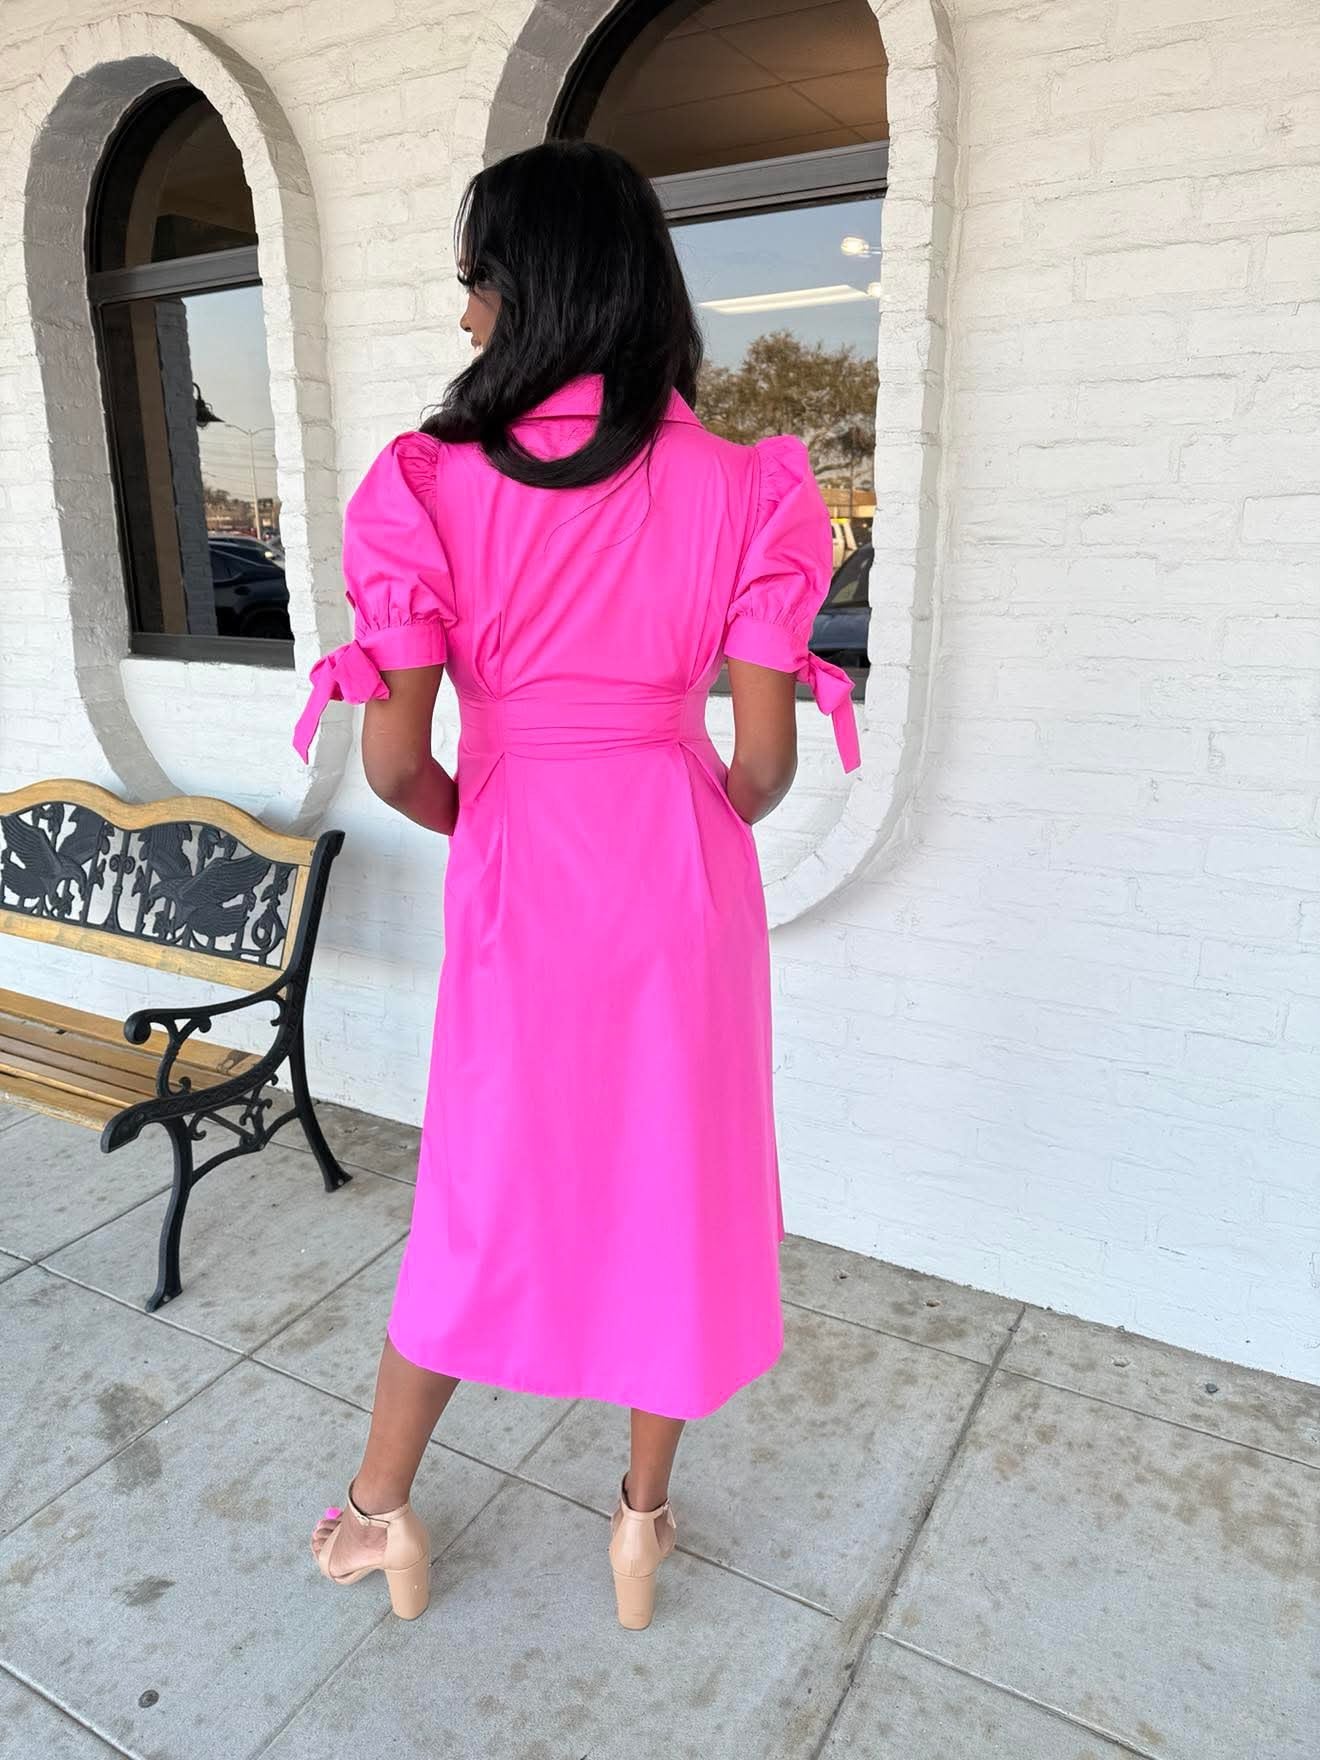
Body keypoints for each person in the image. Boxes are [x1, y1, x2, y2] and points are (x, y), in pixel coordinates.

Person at [291, 139, 862, 1631]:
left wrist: (499, 811)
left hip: (522, 871)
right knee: (675, 1183)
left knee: (479, 1192)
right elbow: (762, 763)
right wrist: (675, 811)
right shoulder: (747, 485)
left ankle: (380, 1513)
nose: (465, 309)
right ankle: (640, 1524)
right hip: (681, 873)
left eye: (475, 276)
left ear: (527, 285)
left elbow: (397, 765)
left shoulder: (428, 484)